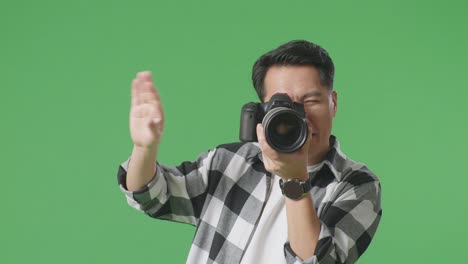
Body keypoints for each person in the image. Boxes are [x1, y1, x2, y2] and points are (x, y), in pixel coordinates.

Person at [116, 40, 382, 264]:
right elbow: (150, 196)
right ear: (261, 112)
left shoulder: (357, 185)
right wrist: (144, 148)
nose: (299, 117)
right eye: (283, 106)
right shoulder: (229, 162)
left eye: (311, 101)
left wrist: (294, 181)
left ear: (333, 103)